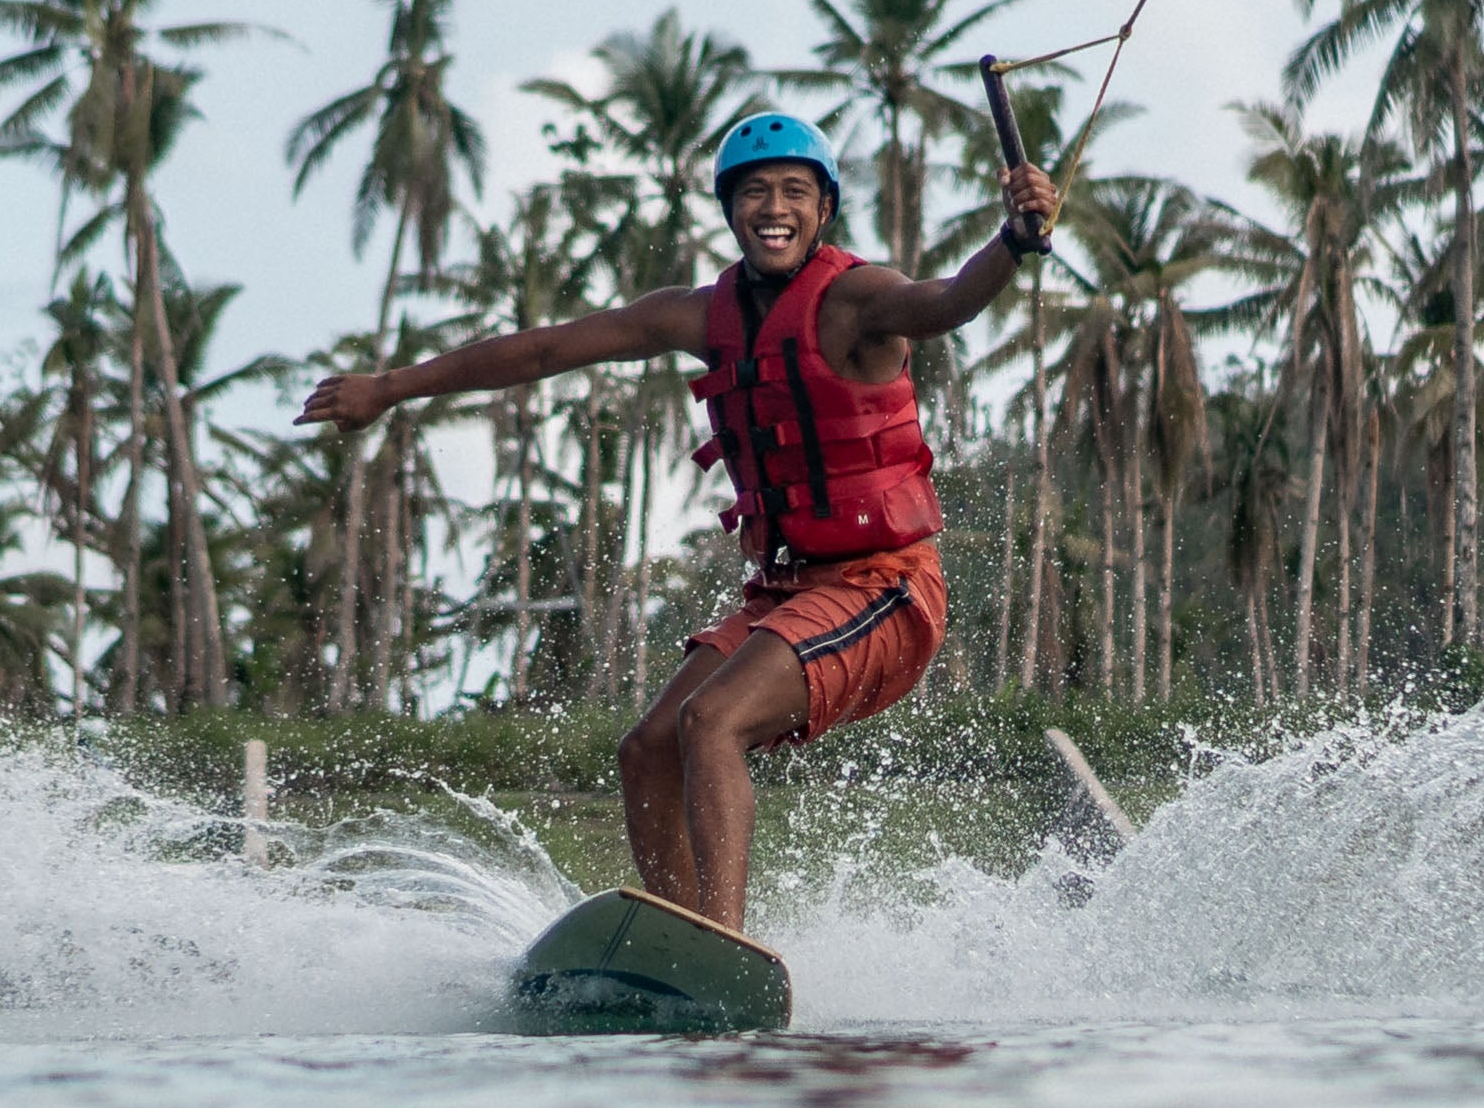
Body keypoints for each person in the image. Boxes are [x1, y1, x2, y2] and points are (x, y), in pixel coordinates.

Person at [296, 109, 1057, 933]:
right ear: (729, 211)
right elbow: (549, 349)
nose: (774, 207)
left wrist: (1012, 241)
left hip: (888, 589)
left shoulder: (858, 299)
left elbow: (947, 302)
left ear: (824, 210)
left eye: (795, 192)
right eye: (754, 192)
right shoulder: (700, 315)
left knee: (712, 721)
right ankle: (675, 935)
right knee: (648, 750)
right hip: (790, 595)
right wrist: (392, 387)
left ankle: (718, 943)